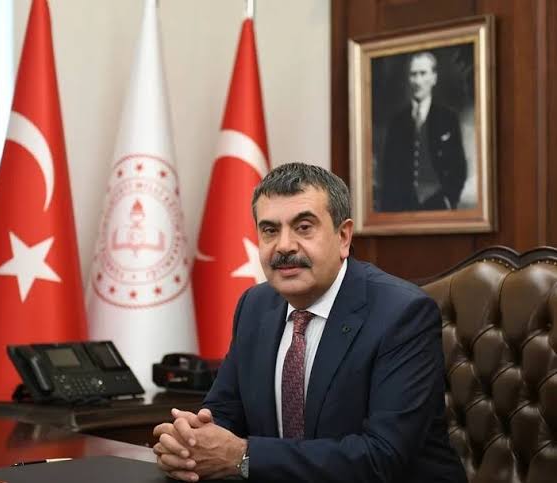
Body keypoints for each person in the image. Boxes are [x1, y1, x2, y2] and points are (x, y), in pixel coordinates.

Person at [153, 162, 467, 482]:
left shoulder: (402, 314)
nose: (284, 246)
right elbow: (224, 411)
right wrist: (190, 443)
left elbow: (383, 456)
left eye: (303, 227)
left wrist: (244, 457)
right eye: (270, 230)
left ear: (343, 237)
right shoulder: (254, 306)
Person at [377, 51, 467, 212]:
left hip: (438, 205)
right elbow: (388, 172)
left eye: (423, 73)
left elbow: (459, 167)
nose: (418, 81)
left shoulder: (448, 118)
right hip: (403, 208)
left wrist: (449, 199)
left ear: (434, 78)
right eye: (413, 74)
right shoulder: (397, 122)